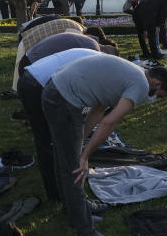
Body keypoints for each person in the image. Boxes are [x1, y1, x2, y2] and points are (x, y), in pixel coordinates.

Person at [41, 54, 167, 236]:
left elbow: (98, 110)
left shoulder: (131, 74)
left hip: (56, 91)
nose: (153, 99)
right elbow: (109, 122)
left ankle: (74, 212)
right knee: (75, 170)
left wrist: (80, 146)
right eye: (158, 95)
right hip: (63, 99)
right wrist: (85, 156)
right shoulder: (140, 85)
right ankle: (86, 233)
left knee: (67, 158)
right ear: (155, 83)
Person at [18, 47, 104, 200]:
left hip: (33, 76)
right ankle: (59, 194)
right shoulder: (102, 69)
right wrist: (79, 143)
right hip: (37, 84)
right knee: (48, 141)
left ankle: (61, 193)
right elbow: (86, 107)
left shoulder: (98, 59)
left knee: (53, 141)